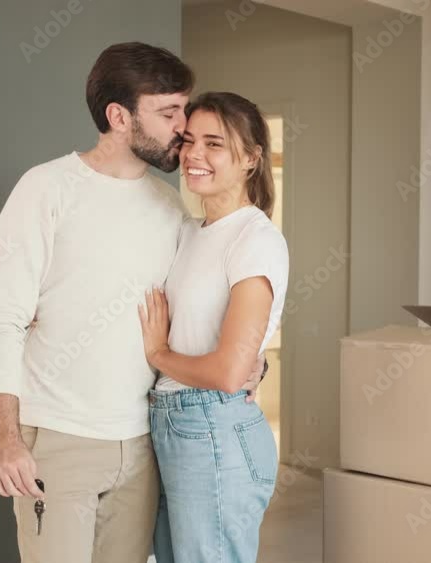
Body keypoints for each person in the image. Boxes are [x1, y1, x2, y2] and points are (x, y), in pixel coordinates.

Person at [0, 43, 263, 563]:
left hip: (143, 443)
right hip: (58, 438)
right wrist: (6, 439)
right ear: (119, 117)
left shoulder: (173, 209)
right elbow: (1, 321)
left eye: (184, 107)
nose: (184, 126)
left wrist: (251, 360)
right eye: (169, 111)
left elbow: (191, 314)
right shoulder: (45, 189)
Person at [138, 92, 290, 563]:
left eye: (214, 144)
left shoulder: (255, 239)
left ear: (250, 158)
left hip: (214, 428)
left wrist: (159, 355)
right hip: (171, 423)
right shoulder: (189, 231)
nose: (193, 155)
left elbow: (229, 372)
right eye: (188, 141)